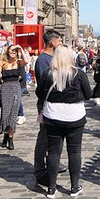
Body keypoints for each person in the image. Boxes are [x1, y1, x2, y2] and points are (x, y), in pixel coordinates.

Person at [36, 46, 92, 199]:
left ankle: (51, 188)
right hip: (74, 117)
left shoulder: (48, 74)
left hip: (53, 117)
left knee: (54, 152)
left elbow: (39, 93)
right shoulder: (78, 74)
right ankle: (74, 187)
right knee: (74, 152)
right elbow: (88, 95)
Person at [34, 29, 63, 187]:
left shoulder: (54, 57)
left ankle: (53, 164)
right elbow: (45, 83)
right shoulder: (42, 60)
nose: (60, 43)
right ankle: (39, 169)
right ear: (52, 42)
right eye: (58, 40)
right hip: (45, 103)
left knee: (55, 137)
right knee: (44, 137)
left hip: (57, 102)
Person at [0, 45, 29, 150]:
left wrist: (21, 48)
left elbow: (27, 61)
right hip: (5, 88)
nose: (14, 52)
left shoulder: (18, 62)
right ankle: (6, 135)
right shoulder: (2, 62)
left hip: (16, 88)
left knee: (14, 114)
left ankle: (10, 137)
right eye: (12, 50)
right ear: (8, 51)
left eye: (16, 51)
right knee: (6, 114)